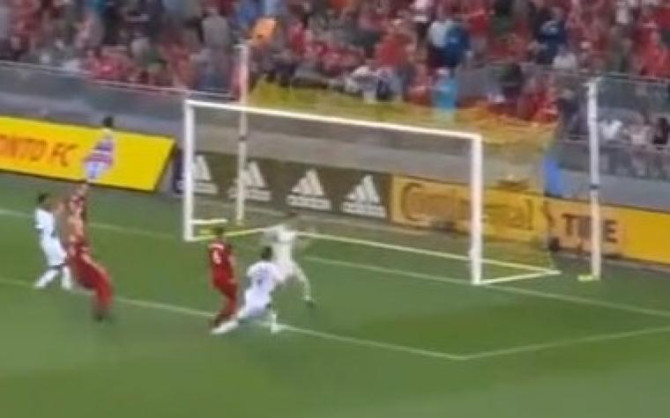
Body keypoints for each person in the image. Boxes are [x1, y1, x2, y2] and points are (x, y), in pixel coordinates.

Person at [211, 247, 284, 335]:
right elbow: (281, 281)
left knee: (269, 308)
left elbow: (248, 276)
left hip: (252, 296)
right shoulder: (273, 268)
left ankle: (274, 327)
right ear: (271, 256)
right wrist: (274, 284)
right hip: (260, 299)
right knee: (239, 320)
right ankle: (219, 331)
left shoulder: (254, 266)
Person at [66, 204, 113, 321]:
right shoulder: (76, 228)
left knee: (102, 282)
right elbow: (76, 250)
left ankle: (101, 310)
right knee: (103, 281)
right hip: (83, 265)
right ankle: (100, 311)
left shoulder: (77, 227)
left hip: (82, 262)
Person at [263, 213, 314, 305]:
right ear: (288, 220)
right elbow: (265, 237)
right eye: (294, 221)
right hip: (278, 263)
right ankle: (264, 298)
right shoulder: (276, 230)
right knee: (278, 285)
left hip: (289, 262)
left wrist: (310, 238)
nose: (296, 223)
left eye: (297, 221)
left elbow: (300, 246)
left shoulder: (294, 233)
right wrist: (269, 246)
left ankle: (307, 298)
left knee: (304, 280)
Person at [34, 193, 73, 291]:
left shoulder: (43, 212)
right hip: (50, 242)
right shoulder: (41, 214)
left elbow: (55, 214)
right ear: (41, 202)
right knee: (67, 261)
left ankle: (41, 283)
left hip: (50, 242)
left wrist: (62, 205)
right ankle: (66, 285)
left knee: (56, 266)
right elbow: (41, 227)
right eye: (47, 201)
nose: (49, 202)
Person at [208, 227, 237, 327]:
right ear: (223, 235)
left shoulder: (211, 247)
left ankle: (225, 316)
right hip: (225, 276)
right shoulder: (226, 247)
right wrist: (232, 276)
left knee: (227, 297)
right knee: (232, 299)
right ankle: (221, 318)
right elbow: (232, 263)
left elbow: (211, 263)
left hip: (215, 276)